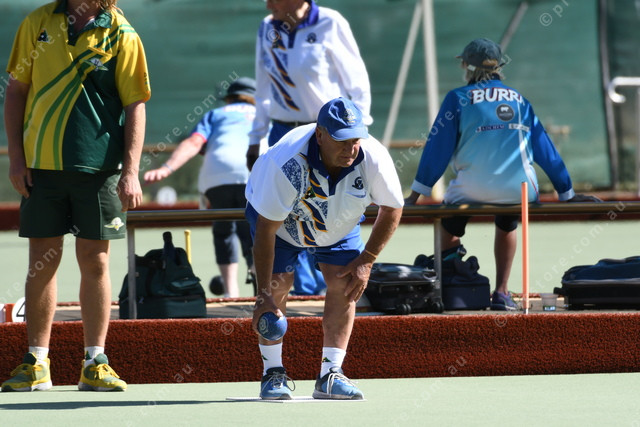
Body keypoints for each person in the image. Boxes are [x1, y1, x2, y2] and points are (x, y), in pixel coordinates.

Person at [2, 0, 150, 392]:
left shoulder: (122, 33)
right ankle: (37, 362)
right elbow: (16, 91)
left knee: (95, 262)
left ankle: (95, 362)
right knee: (41, 263)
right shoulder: (37, 22)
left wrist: (131, 171)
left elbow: (135, 104)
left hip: (100, 171)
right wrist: (16, 157)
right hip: (41, 168)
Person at [405, 38, 601, 311]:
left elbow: (437, 149)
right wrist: (567, 194)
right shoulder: (521, 101)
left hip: (470, 190)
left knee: (449, 222)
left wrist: (414, 197)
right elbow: (546, 150)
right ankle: (501, 292)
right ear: (499, 67)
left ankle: (453, 279)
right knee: (508, 220)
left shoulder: (458, 98)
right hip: (519, 190)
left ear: (467, 66)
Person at [246, 97, 403, 400]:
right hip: (280, 223)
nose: (350, 148)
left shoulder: (374, 157)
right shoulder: (287, 164)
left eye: (355, 140)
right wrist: (263, 295)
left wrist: (367, 260)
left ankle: (330, 375)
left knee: (346, 281)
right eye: (341, 141)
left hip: (339, 221)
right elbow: (266, 231)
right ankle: (273, 373)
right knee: (278, 285)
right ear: (320, 135)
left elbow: (392, 207)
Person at [246, 0, 373, 296]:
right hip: (283, 133)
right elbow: (263, 87)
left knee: (327, 207)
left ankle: (326, 286)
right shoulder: (267, 28)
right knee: (285, 213)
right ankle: (301, 291)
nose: (267, 3)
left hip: (327, 134)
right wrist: (256, 136)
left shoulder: (330, 21)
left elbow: (357, 82)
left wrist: (359, 132)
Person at [144, 77, 257, 298]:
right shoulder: (263, 115)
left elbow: (194, 143)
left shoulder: (215, 114)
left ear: (229, 99)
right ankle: (261, 287)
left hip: (217, 175)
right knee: (255, 231)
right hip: (254, 173)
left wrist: (166, 168)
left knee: (223, 231)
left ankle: (231, 292)